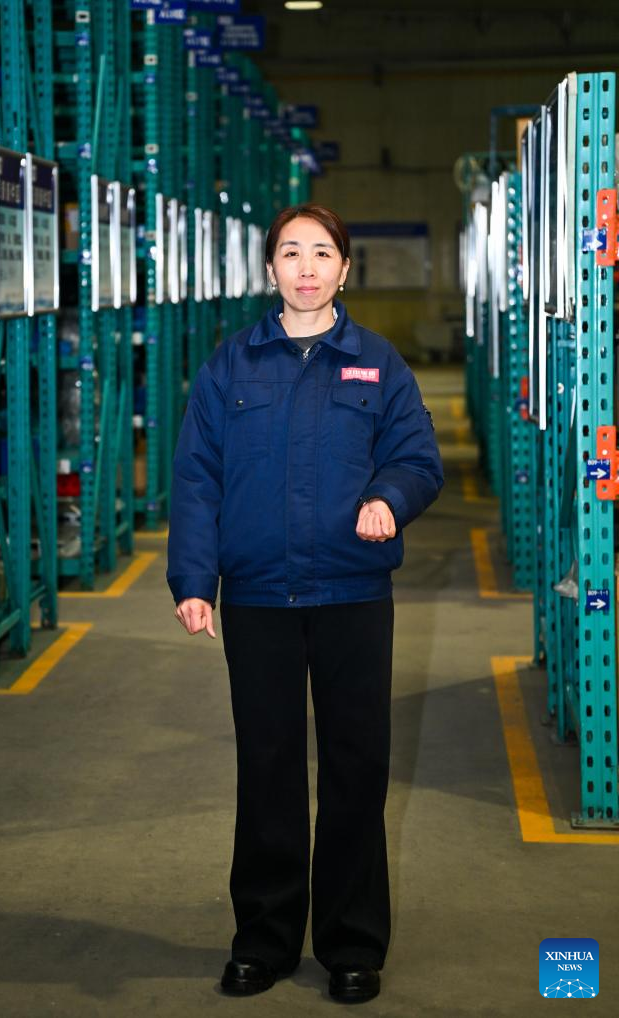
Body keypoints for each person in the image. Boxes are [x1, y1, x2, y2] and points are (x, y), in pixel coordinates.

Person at [167, 204, 443, 1004]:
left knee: (357, 767)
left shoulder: (378, 364)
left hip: (353, 594)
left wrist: (390, 497)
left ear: (345, 269)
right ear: (270, 269)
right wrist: (194, 581)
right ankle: (264, 938)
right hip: (259, 599)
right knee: (269, 767)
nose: (307, 267)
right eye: (291, 252)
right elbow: (196, 478)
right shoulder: (231, 366)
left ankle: (352, 943)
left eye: (323, 252)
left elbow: (417, 457)